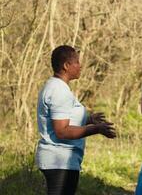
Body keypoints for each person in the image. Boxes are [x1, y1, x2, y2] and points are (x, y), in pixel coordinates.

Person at [35, 45, 116, 195]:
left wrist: (89, 119)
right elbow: (62, 131)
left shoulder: (58, 87)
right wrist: (96, 129)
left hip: (61, 161)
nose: (80, 66)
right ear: (66, 66)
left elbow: (65, 120)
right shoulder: (59, 91)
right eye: (77, 62)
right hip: (59, 161)